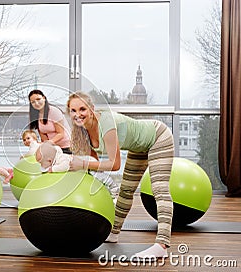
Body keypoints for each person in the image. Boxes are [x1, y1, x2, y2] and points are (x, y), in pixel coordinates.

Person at [67, 91, 174, 259]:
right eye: (73, 111)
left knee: (159, 189)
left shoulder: (106, 123)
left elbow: (114, 164)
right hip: (138, 147)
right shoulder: (83, 132)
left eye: (82, 109)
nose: (78, 114)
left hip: (158, 137)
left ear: (92, 109)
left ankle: (162, 245)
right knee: (125, 191)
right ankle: (113, 232)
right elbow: (94, 165)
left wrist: (83, 164)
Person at [35, 141, 118, 196]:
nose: (41, 165)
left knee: (100, 177)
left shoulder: (61, 159)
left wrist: (53, 169)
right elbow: (55, 147)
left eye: (41, 163)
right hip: (83, 165)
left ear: (49, 161)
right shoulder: (55, 154)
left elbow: (65, 166)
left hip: (88, 165)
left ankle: (113, 187)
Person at [28, 89, 72, 154]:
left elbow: (61, 133)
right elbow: (43, 134)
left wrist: (48, 143)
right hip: (53, 148)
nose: (36, 103)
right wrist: (45, 145)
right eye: (33, 102)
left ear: (44, 98)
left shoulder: (54, 111)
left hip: (66, 147)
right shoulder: (36, 115)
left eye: (38, 99)